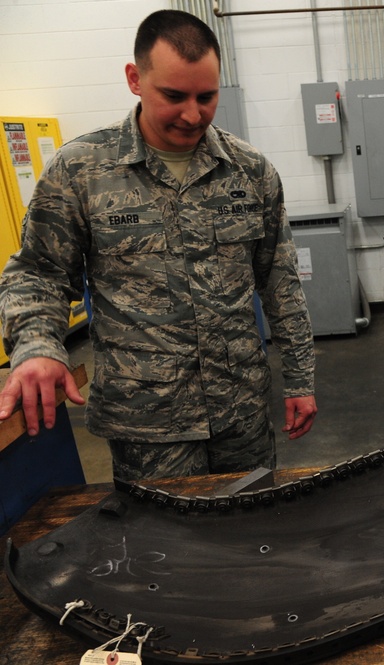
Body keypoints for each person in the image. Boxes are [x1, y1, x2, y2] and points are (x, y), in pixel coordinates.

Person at [0, 10, 318, 480]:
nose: (193, 114)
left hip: (241, 412)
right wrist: (38, 344)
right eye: (174, 96)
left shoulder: (249, 171)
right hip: (146, 423)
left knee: (254, 539)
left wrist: (300, 378)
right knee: (160, 550)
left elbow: (279, 280)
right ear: (135, 79)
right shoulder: (80, 171)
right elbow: (38, 272)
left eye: (206, 97)